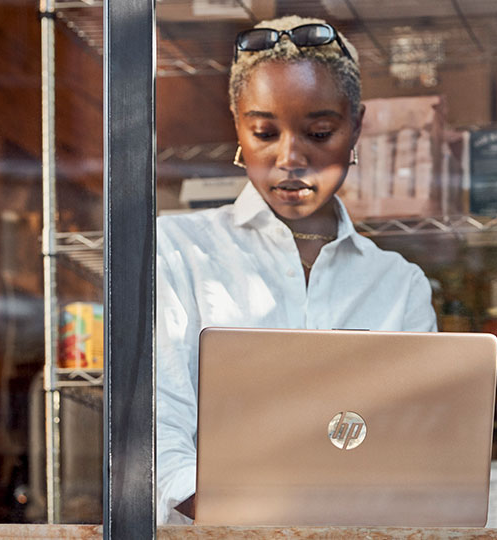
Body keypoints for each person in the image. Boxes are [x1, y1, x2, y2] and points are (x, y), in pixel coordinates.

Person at [156, 15, 438, 524]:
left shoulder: (398, 285)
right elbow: (158, 430)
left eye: (319, 131)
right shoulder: (176, 250)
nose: (290, 157)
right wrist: (259, 522)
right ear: (237, 125)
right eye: (264, 132)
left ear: (357, 126)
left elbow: (417, 454)